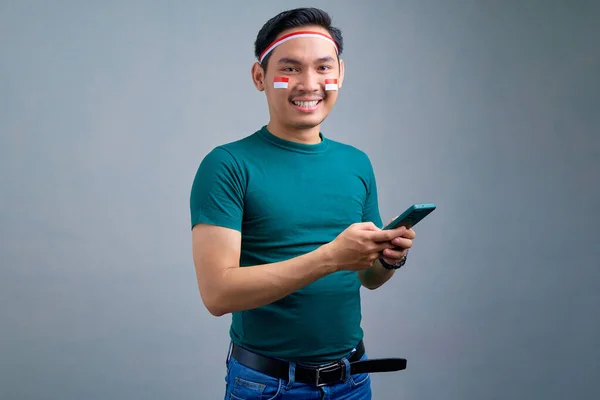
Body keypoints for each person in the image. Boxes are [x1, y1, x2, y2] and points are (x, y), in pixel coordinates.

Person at [189, 7, 417, 399]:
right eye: (290, 69)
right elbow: (218, 294)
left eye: (323, 68)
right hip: (268, 386)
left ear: (340, 74)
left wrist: (388, 258)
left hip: (353, 381)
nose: (310, 83)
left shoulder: (356, 163)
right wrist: (331, 256)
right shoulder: (227, 165)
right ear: (260, 77)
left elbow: (366, 278)